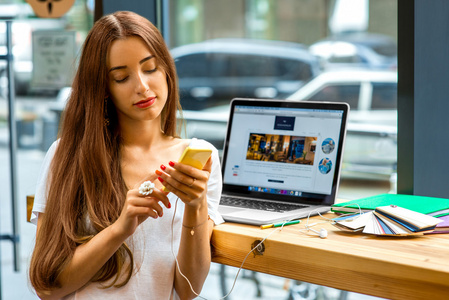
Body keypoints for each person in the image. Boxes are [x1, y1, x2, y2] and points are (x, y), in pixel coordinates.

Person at [29, 11, 223, 300]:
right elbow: (47, 288)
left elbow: (188, 290)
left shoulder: (199, 158)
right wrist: (121, 227)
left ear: (166, 69)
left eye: (151, 68)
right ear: (104, 89)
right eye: (121, 77)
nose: (142, 87)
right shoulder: (67, 155)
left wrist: (196, 207)